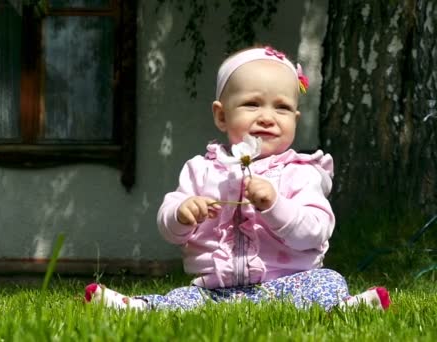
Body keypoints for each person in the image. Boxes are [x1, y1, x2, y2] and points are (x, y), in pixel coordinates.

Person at [84, 46, 390, 311]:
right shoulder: (201, 170)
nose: (267, 117)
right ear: (221, 115)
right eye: (252, 104)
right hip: (215, 290)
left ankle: (341, 308)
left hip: (288, 285)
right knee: (184, 299)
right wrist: (182, 213)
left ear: (295, 119)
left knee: (328, 280)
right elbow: (168, 225)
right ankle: (140, 307)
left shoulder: (301, 171)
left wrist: (275, 204)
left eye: (282, 107)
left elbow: (316, 231)